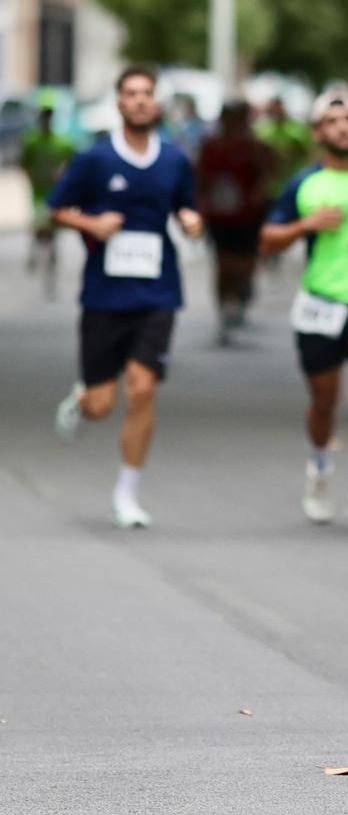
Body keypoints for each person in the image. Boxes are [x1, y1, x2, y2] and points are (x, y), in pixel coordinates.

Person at [48, 66, 205, 528]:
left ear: (157, 104)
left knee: (142, 389)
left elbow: (186, 208)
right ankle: (82, 399)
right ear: (118, 103)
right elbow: (56, 208)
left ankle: (127, 493)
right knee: (102, 405)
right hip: (104, 294)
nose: (139, 101)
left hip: (158, 290)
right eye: (131, 94)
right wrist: (91, 224)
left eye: (147, 94)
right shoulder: (94, 159)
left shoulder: (175, 160)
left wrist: (192, 221)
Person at [260, 90, 348, 525]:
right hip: (321, 301)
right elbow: (267, 239)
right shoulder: (305, 183)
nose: (343, 127)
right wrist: (306, 225)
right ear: (319, 132)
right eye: (333, 121)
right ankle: (320, 465)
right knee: (324, 402)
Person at [197, 101, 277, 342]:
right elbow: (199, 177)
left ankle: (242, 292)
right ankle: (224, 308)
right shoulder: (210, 146)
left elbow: (270, 169)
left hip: (249, 216)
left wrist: (259, 192)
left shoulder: (254, 146)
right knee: (222, 263)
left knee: (245, 262)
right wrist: (200, 205)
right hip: (219, 215)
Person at [22, 101, 77, 295]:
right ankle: (36, 251)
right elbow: (25, 163)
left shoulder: (62, 142)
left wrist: (64, 173)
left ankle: (51, 269)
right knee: (40, 229)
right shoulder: (32, 141)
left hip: (56, 195)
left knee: (52, 234)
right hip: (38, 194)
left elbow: (73, 161)